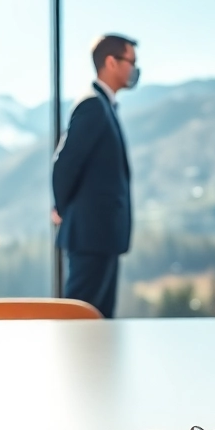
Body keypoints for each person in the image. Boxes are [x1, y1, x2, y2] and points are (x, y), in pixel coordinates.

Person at [51, 34, 138, 318]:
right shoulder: (92, 106)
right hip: (90, 237)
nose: (134, 69)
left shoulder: (104, 106)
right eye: (131, 62)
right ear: (111, 62)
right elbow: (66, 163)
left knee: (98, 324)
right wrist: (63, 209)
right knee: (79, 321)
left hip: (101, 237)